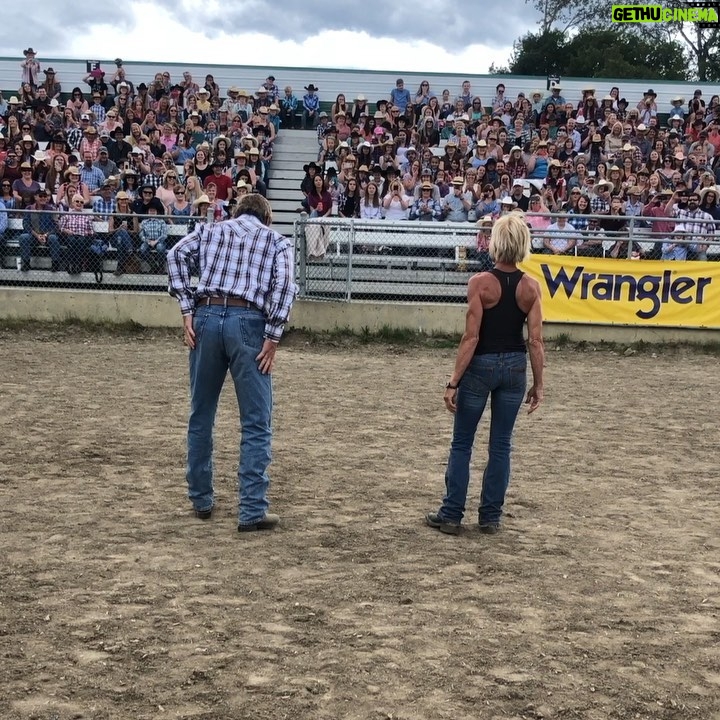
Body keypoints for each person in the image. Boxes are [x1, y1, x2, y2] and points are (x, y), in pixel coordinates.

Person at [167, 194, 298, 530]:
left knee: (201, 413)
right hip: (248, 322)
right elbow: (284, 286)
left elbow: (175, 254)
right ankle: (252, 509)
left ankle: (201, 498)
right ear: (266, 217)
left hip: (206, 316)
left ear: (237, 212)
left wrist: (186, 309)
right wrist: (273, 336)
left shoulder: (210, 230)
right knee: (256, 421)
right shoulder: (276, 241)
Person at [426, 213, 544, 536]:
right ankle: (490, 516)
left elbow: (471, 337)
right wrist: (539, 384)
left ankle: (451, 513)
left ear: (495, 243)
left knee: (462, 442)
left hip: (480, 367)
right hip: (515, 368)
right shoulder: (531, 288)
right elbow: (535, 341)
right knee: (501, 445)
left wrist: (453, 381)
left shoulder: (479, 284)